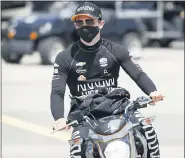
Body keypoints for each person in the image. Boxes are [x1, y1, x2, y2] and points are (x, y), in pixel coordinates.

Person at [50, 2, 164, 158]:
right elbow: (57, 92)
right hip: (84, 115)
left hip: (118, 107)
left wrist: (153, 91)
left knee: (147, 127)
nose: (85, 26)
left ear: (100, 23)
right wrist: (59, 118)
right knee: (76, 146)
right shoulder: (64, 57)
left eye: (89, 21)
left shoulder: (115, 50)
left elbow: (138, 74)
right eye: (79, 22)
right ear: (75, 25)